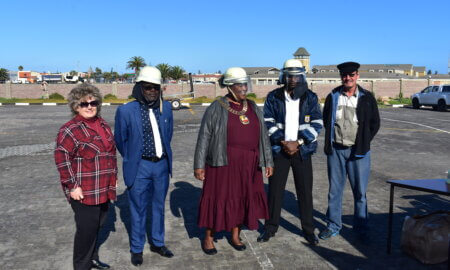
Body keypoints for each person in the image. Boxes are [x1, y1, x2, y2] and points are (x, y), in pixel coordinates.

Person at [194, 67, 274, 255]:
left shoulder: (253, 106)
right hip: (223, 162)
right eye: (240, 85)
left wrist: (268, 161)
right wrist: (199, 165)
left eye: (245, 84)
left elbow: (263, 135)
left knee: (242, 198)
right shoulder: (216, 107)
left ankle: (235, 235)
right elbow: (204, 136)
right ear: (230, 86)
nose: (244, 88)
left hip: (249, 163)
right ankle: (209, 237)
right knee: (219, 197)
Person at [258, 59, 323, 245]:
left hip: (302, 151)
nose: (293, 79)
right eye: (290, 75)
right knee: (275, 192)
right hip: (280, 150)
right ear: (284, 76)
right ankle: (270, 228)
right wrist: (281, 141)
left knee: (305, 192)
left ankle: (309, 230)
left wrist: (299, 142)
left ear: (302, 75)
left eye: (297, 74)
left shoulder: (310, 97)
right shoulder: (274, 96)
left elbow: (317, 123)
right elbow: (267, 121)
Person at [114, 66, 174, 266]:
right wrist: (134, 158)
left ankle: (157, 242)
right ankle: (137, 248)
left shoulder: (165, 109)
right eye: (148, 87)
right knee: (138, 209)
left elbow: (168, 135)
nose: (152, 92)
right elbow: (121, 141)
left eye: (156, 88)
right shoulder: (125, 111)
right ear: (139, 87)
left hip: (162, 166)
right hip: (140, 166)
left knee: (158, 206)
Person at [54, 84, 117, 270]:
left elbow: (110, 154)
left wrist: (114, 178)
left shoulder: (103, 125)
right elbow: (61, 158)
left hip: (104, 187)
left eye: (93, 102)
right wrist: (73, 186)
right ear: (76, 106)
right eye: (84, 104)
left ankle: (93, 258)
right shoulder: (70, 129)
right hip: (84, 190)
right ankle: (81, 266)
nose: (89, 107)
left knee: (99, 225)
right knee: (86, 231)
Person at [318, 61, 380, 242]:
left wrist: (363, 142)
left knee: (360, 192)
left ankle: (361, 228)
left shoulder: (367, 97)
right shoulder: (333, 96)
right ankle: (333, 226)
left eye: (351, 75)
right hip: (336, 150)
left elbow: (375, 123)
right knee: (334, 191)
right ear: (341, 77)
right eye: (345, 75)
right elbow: (326, 119)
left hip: (358, 152)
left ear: (357, 76)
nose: (348, 78)